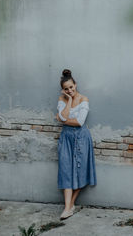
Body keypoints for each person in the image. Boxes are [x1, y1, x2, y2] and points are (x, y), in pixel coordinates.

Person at [56, 69, 97, 220]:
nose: (70, 90)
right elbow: (63, 116)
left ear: (75, 84)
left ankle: (69, 206)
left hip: (81, 138)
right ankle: (68, 208)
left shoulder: (84, 99)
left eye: (71, 87)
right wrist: (69, 100)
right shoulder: (63, 99)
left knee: (81, 172)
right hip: (66, 138)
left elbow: (79, 122)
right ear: (63, 89)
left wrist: (63, 119)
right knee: (66, 170)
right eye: (66, 89)